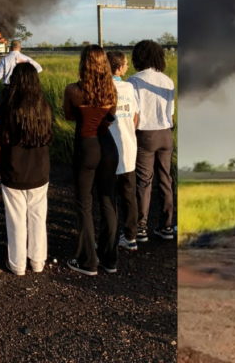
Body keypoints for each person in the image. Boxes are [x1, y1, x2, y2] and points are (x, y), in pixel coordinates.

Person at [62, 45, 119, 276]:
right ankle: (110, 259)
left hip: (86, 146)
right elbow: (110, 118)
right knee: (108, 200)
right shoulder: (111, 89)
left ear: (83, 63)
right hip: (108, 146)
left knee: (84, 203)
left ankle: (88, 261)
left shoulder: (73, 90)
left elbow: (69, 116)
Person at [0, 62, 52, 275]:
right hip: (39, 169)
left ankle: (17, 263)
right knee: (38, 215)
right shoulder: (44, 106)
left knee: (15, 218)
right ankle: (38, 261)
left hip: (12, 169)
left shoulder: (6, 107)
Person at [128, 40, 176, 241]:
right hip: (166, 133)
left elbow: (134, 113)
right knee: (165, 179)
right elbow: (171, 113)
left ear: (138, 57)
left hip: (145, 134)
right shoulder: (168, 80)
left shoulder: (134, 80)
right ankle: (166, 226)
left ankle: (140, 227)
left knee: (144, 181)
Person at [106, 51, 140, 251]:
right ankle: (130, 236)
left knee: (108, 197)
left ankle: (108, 238)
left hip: (108, 149)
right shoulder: (129, 87)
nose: (127, 67)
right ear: (119, 68)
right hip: (128, 148)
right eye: (126, 64)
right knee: (129, 195)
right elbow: (135, 117)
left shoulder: (102, 87)